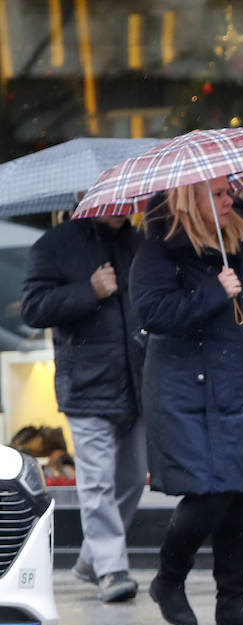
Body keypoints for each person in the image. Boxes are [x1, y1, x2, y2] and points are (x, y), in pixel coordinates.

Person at [132, 177, 243, 625]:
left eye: (228, 191)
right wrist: (213, 292)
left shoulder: (242, 240)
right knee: (210, 494)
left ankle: (232, 600)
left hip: (242, 382)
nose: (228, 198)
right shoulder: (159, 249)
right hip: (188, 391)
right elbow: (152, 313)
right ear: (188, 198)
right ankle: (169, 578)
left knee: (239, 493)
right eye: (216, 193)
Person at [21, 214, 145, 604]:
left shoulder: (138, 242)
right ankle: (111, 569)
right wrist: (88, 291)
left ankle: (93, 557)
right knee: (97, 480)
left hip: (136, 382)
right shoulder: (54, 245)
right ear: (83, 198)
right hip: (86, 383)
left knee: (130, 479)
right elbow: (33, 308)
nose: (119, 207)